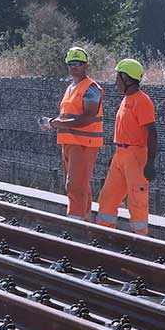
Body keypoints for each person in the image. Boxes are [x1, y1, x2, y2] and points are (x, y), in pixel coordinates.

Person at [94, 59, 158, 235]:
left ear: (126, 78)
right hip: (121, 154)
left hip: (136, 156)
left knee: (137, 201)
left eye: (118, 77)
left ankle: (140, 239)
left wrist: (150, 161)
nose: (116, 81)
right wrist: (117, 156)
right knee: (107, 198)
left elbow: (152, 133)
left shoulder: (142, 101)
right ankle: (103, 234)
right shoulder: (126, 100)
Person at [45, 47, 103, 221]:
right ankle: (85, 221)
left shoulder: (91, 88)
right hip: (69, 143)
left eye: (77, 63)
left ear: (85, 65)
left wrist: (57, 123)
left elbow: (88, 118)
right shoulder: (71, 87)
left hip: (83, 144)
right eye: (71, 63)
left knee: (75, 186)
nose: (73, 67)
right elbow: (69, 115)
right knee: (80, 185)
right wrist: (53, 123)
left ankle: (74, 223)